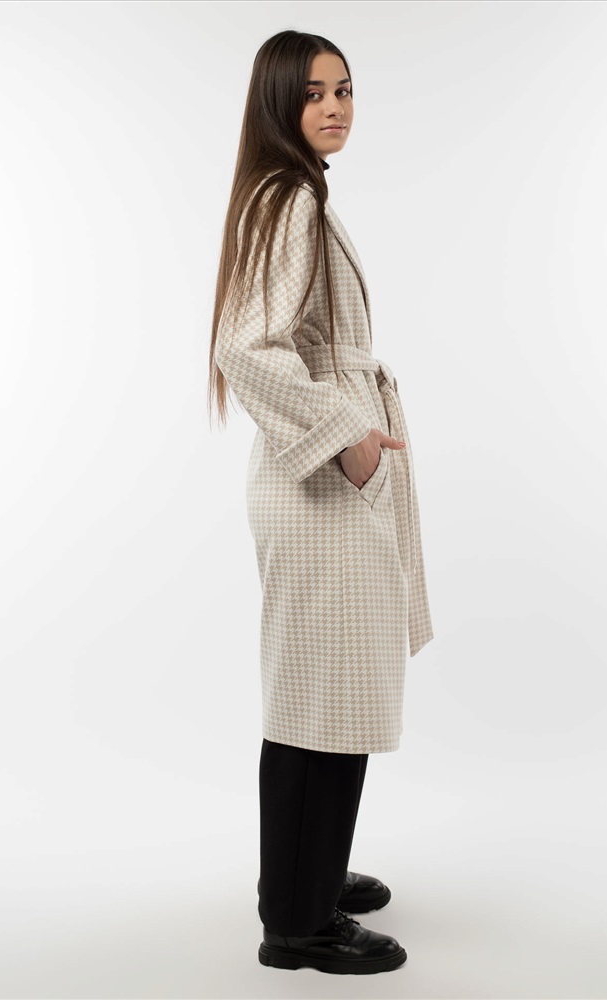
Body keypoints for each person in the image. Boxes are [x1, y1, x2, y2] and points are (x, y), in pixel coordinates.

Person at [208, 29, 434, 976]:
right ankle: (298, 925)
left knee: (323, 687)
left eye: (344, 89)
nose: (334, 106)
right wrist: (347, 436)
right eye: (312, 94)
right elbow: (244, 349)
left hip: (319, 481)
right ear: (278, 104)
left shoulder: (289, 193)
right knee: (323, 695)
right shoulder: (290, 198)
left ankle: (306, 874)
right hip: (320, 483)